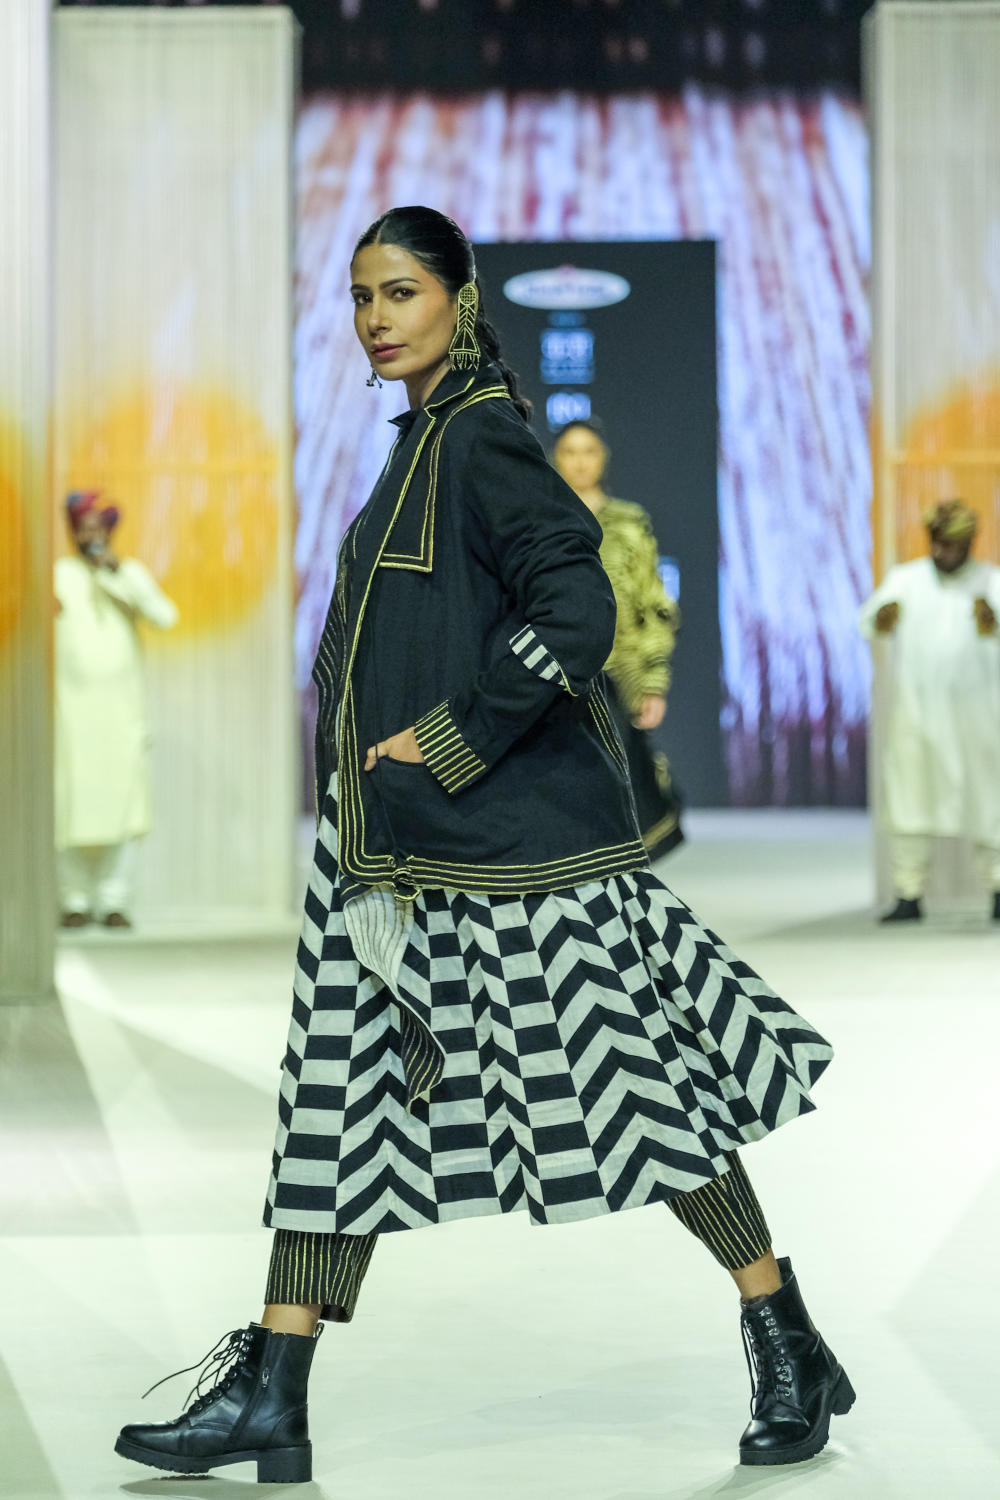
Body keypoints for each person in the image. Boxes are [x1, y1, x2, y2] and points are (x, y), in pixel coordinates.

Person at [115, 207, 852, 1483]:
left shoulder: (483, 436)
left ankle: (783, 1332)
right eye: (361, 297)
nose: (376, 317)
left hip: (510, 859)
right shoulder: (423, 442)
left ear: (460, 298)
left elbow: (580, 605)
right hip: (390, 855)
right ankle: (273, 1391)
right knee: (333, 1113)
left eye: (400, 291)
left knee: (641, 1101)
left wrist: (451, 736)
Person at [859, 498, 1000, 923]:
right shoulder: (907, 580)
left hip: (977, 719)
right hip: (916, 715)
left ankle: (998, 887)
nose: (941, 552)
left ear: (968, 543)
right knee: (910, 799)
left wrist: (992, 622)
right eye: (936, 543)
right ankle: (908, 893)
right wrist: (883, 619)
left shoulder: (991, 581)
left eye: (950, 545)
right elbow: (869, 621)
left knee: (989, 802)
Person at [552, 418, 684, 859]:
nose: (579, 462)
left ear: (603, 458)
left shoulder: (629, 522)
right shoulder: (540, 517)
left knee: (624, 795)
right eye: (570, 452)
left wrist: (653, 682)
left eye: (589, 451)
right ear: (555, 458)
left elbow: (653, 604)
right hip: (552, 675)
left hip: (616, 678)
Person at [54, 491, 178, 929]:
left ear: (108, 531)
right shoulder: (59, 575)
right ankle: (73, 899)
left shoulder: (129, 572)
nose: (89, 535)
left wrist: (118, 574)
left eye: (97, 527)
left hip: (122, 715)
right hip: (70, 714)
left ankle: (113, 899)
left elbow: (165, 617)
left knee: (124, 808)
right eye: (82, 527)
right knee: (71, 808)